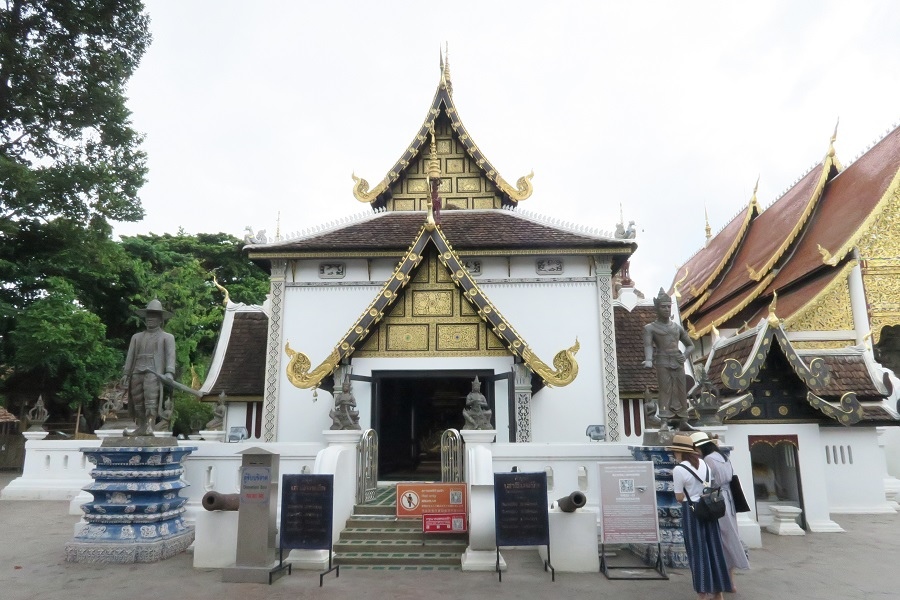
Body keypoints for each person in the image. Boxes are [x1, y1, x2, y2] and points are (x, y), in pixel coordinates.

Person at [670, 433, 731, 600]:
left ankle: (702, 593)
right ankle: (718, 592)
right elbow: (708, 485)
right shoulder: (704, 463)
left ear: (678, 452)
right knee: (714, 548)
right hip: (709, 508)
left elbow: (679, 497)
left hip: (692, 509)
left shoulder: (679, 469)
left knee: (697, 551)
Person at [692, 431, 750, 591]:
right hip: (727, 498)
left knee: (721, 539)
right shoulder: (722, 457)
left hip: (717, 499)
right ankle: (730, 581)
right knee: (730, 536)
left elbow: (706, 482)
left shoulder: (709, 460)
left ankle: (724, 581)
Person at [122, 299, 176, 436]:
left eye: (154, 316)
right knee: (137, 400)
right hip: (137, 370)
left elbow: (170, 356)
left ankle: (150, 425)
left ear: (160, 319)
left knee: (150, 399)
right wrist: (126, 373)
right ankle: (141, 426)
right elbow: (130, 356)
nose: (150, 319)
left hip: (153, 371)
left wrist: (169, 372)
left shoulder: (167, 337)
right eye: (148, 316)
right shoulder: (136, 337)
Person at [643, 288, 694, 420]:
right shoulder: (650, 328)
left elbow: (690, 345)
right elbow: (648, 345)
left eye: (668, 307)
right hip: (662, 360)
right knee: (665, 390)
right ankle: (664, 420)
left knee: (682, 391)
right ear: (657, 308)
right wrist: (648, 359)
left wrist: (685, 355)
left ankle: (683, 419)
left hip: (678, 360)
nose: (666, 309)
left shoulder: (677, 327)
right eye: (663, 307)